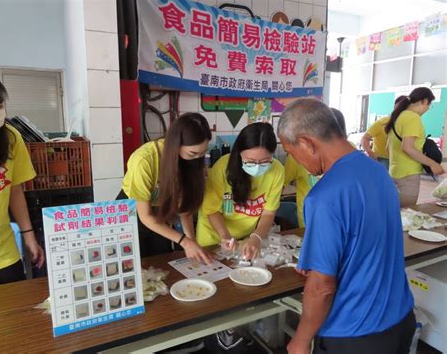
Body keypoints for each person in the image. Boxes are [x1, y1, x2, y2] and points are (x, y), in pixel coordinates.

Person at [278, 98, 415, 354]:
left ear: (307, 143)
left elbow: (322, 288)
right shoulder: (377, 171)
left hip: (354, 334)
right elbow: (367, 240)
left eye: (291, 152)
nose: (296, 160)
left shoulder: (324, 195)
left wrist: (301, 339)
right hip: (400, 318)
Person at [0, 63, 44, 288]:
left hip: (0, 251)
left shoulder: (11, 139)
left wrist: (29, 237)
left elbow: (14, 189)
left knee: (17, 314)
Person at [122, 113, 212, 264]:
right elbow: (145, 216)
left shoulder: (191, 161)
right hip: (133, 212)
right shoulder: (144, 160)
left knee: (161, 263)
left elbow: (184, 207)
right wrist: (185, 242)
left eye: (202, 153)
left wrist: (192, 241)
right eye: (193, 153)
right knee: (136, 264)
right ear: (176, 145)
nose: (198, 158)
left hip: (160, 211)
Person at [196, 123, 284, 260]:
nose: (257, 167)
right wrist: (225, 236)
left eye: (265, 161)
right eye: (251, 161)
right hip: (213, 237)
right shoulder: (222, 168)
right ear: (239, 152)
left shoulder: (277, 171)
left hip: (246, 238)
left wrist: (256, 237)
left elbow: (268, 212)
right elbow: (212, 211)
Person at [385, 87, 444, 207]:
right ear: (425, 101)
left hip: (393, 172)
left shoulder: (399, 116)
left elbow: (387, 149)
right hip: (408, 176)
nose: (427, 109)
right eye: (429, 105)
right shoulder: (413, 117)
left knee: (394, 212)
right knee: (406, 215)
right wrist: (433, 164)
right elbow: (407, 147)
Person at [361, 95, 406, 169]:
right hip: (381, 160)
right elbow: (364, 138)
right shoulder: (382, 122)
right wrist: (370, 152)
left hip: (399, 161)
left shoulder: (407, 124)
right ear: (395, 107)